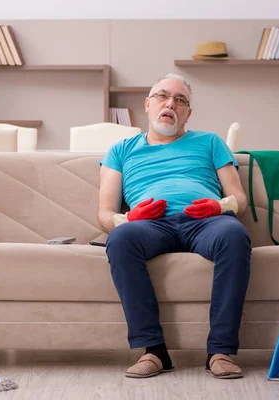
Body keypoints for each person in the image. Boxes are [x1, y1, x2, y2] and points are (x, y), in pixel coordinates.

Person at [97, 73, 251, 379]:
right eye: (163, 96)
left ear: (188, 113)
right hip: (150, 226)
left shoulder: (209, 142)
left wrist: (219, 206)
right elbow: (104, 214)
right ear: (148, 104)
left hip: (206, 221)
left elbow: (239, 198)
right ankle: (154, 352)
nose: (171, 103)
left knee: (235, 234)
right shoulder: (121, 150)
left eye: (181, 100)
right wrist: (128, 219)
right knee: (120, 239)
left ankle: (220, 351)